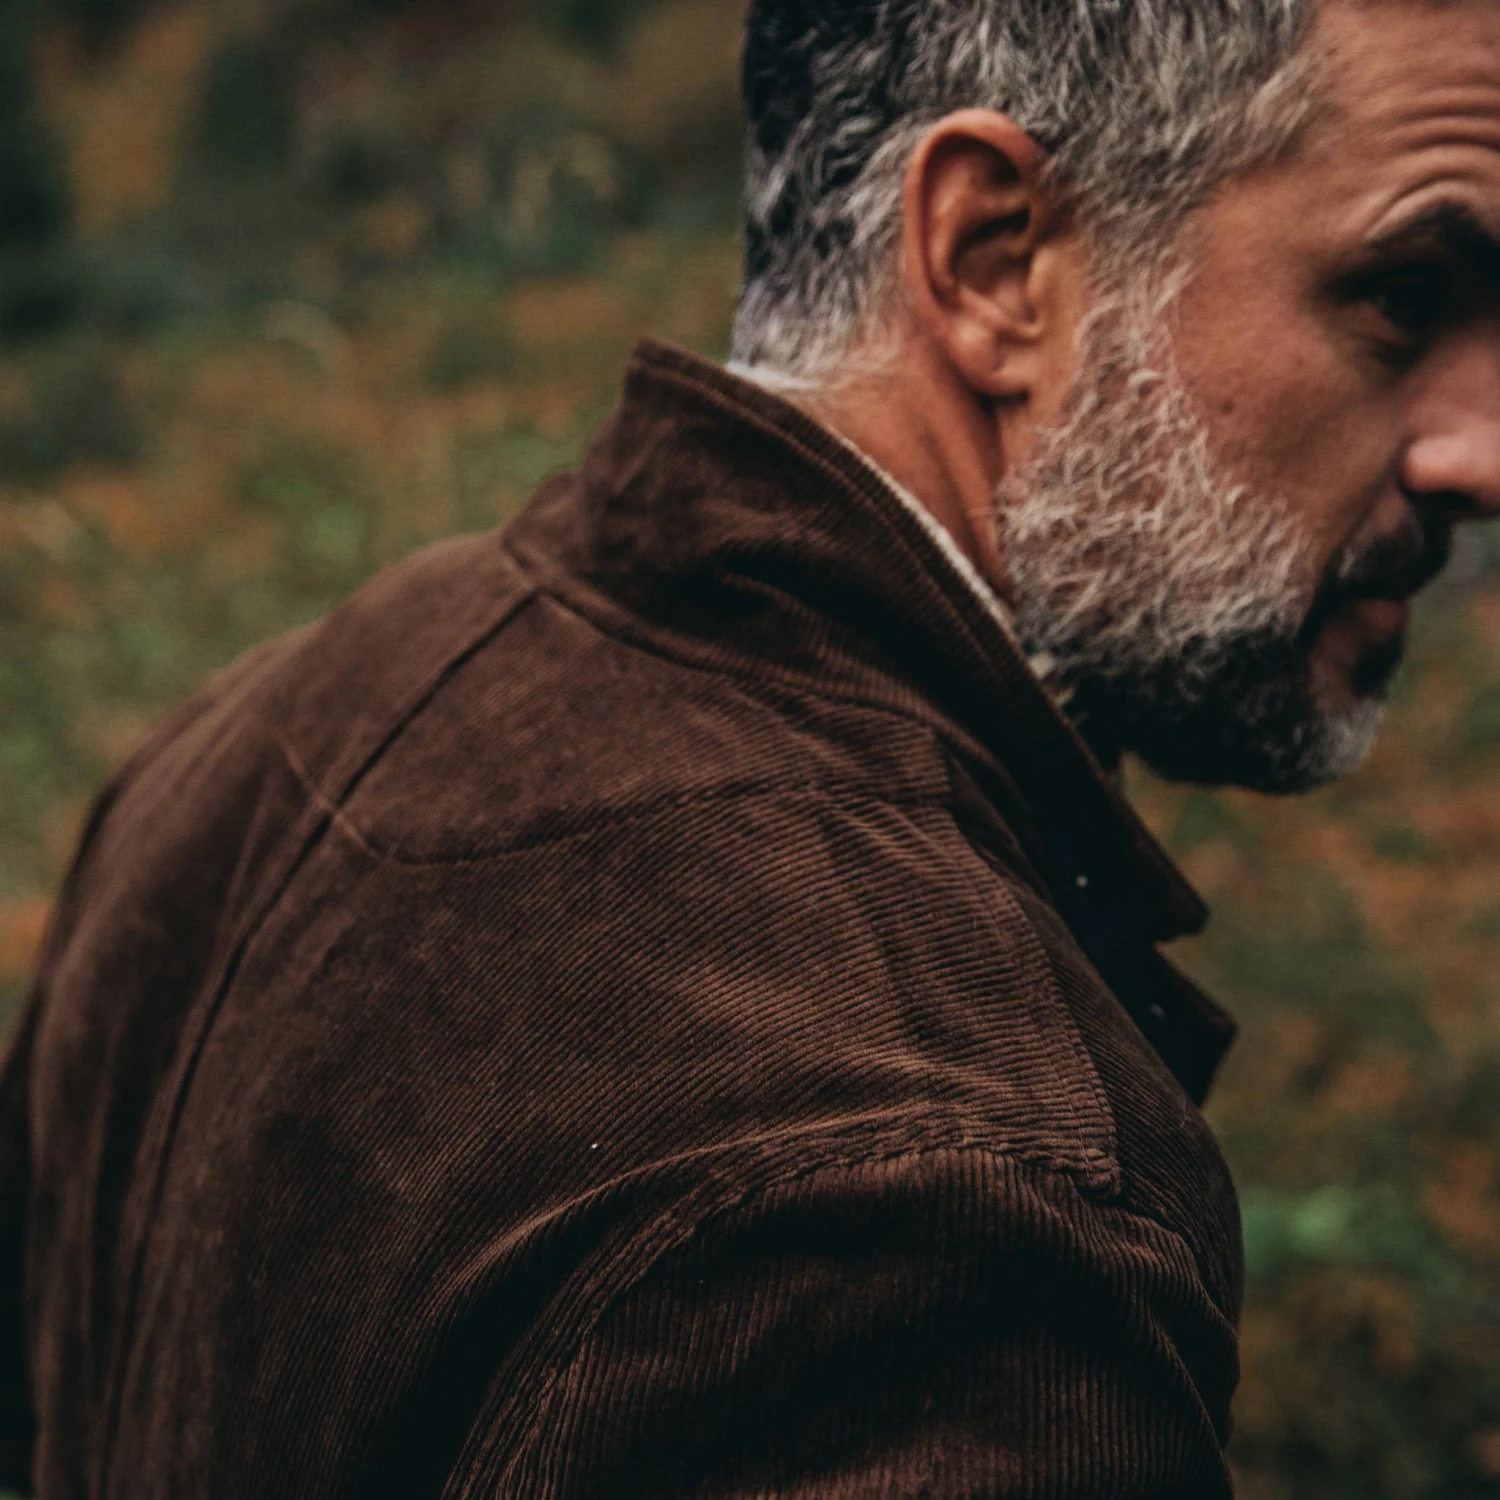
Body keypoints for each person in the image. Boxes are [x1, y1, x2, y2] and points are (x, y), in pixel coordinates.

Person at [4, 0, 1500, 1494]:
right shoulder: (942, 1221)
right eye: (1406, 297)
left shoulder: (254, 733)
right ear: (993, 264)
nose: (1480, 456)